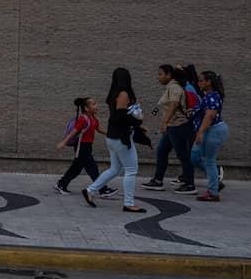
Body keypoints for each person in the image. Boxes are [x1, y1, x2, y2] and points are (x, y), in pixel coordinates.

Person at [81, 67, 148, 213]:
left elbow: (118, 115)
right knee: (131, 170)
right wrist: (138, 120)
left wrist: (137, 125)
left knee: (115, 169)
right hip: (120, 138)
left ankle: (90, 191)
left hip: (112, 137)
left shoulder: (113, 93)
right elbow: (120, 116)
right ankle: (129, 203)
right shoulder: (123, 94)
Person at [142, 65, 194, 192]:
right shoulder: (170, 87)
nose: (158, 77)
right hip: (172, 126)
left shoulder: (174, 86)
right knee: (161, 151)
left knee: (183, 155)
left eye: (160, 74)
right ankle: (158, 180)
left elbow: (174, 104)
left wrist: (164, 122)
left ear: (169, 74)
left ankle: (189, 184)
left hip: (178, 126)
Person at [188, 70, 229, 202]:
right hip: (209, 130)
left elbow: (210, 115)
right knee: (194, 157)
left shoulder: (211, 96)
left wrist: (200, 132)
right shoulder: (209, 95)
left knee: (209, 160)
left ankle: (213, 192)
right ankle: (215, 182)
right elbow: (205, 112)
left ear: (209, 82)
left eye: (201, 81)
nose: (199, 83)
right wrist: (194, 111)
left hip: (213, 131)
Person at [54, 97, 103, 194]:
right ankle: (103, 189)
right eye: (93, 104)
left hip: (88, 146)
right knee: (92, 167)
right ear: (86, 108)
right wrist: (64, 142)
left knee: (76, 169)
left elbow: (100, 130)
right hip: (81, 146)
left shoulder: (94, 119)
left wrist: (115, 134)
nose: (96, 106)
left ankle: (61, 184)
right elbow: (74, 132)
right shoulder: (83, 119)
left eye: (96, 103)